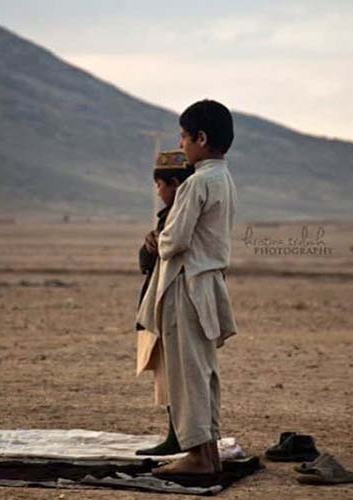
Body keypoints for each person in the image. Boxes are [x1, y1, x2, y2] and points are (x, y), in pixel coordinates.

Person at [136, 99, 238, 475]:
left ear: (201, 137)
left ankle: (197, 456)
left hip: (186, 285)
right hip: (209, 285)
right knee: (204, 370)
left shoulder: (196, 183)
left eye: (183, 136)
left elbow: (174, 240)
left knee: (186, 373)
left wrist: (157, 241)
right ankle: (207, 453)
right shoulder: (224, 179)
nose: (181, 145)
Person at [135, 150, 194, 456]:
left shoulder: (180, 215)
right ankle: (176, 434)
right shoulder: (167, 217)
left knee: (173, 373)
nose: (158, 193)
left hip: (172, 298)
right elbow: (146, 260)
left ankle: (179, 437)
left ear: (172, 184)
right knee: (166, 372)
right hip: (160, 296)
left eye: (160, 186)